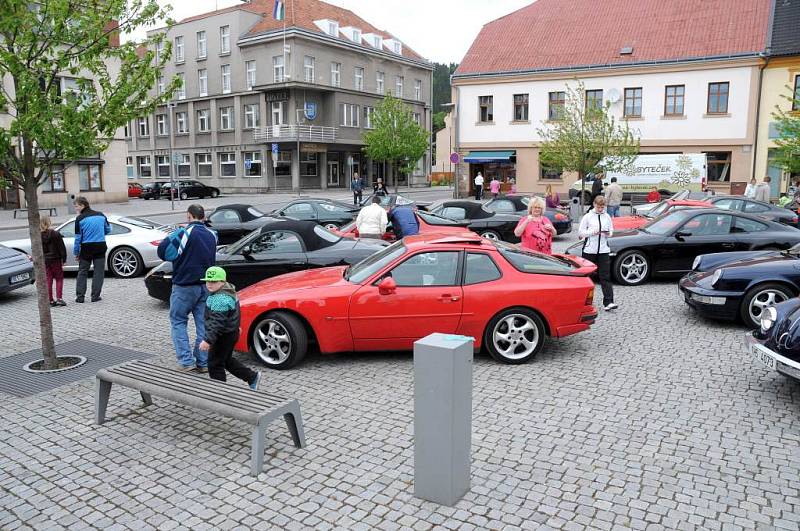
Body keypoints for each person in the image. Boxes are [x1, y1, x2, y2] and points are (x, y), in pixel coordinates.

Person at [157, 204, 218, 372]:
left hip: (184, 286)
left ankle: (186, 362)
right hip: (206, 286)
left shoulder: (183, 233)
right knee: (203, 324)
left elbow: (162, 251)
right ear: (204, 217)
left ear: (189, 216)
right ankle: (203, 362)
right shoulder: (212, 235)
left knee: (178, 321)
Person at [198, 266, 261, 390]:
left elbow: (217, 322)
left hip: (222, 336)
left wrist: (207, 340)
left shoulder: (219, 299)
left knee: (214, 364)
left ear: (222, 281)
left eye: (214, 281)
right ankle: (252, 377)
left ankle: (220, 392)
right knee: (225, 360)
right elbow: (233, 313)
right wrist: (236, 326)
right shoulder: (229, 290)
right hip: (230, 333)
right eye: (207, 281)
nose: (209, 284)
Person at [579, 195, 616, 311]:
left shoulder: (607, 216)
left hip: (604, 250)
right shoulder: (588, 216)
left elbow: (611, 231)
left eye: (602, 207)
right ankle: (583, 303)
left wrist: (608, 233)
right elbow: (580, 233)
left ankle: (609, 302)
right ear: (594, 204)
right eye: (598, 207)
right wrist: (591, 232)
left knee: (605, 276)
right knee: (587, 277)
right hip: (589, 250)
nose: (600, 209)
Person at [72, 196, 111, 303]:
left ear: (82, 205)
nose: (76, 209)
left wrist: (76, 252)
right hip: (100, 246)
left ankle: (80, 297)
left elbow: (78, 238)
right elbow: (108, 229)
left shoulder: (79, 219)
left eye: (76, 206)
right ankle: (95, 296)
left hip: (86, 248)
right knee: (98, 272)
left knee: (82, 272)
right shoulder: (101, 215)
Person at [41, 215, 67, 307]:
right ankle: (59, 298)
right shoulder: (55, 234)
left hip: (45, 260)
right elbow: (62, 248)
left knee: (49, 280)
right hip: (55, 259)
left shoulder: (38, 235)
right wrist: (64, 259)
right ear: (49, 222)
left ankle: (50, 300)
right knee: (59, 279)